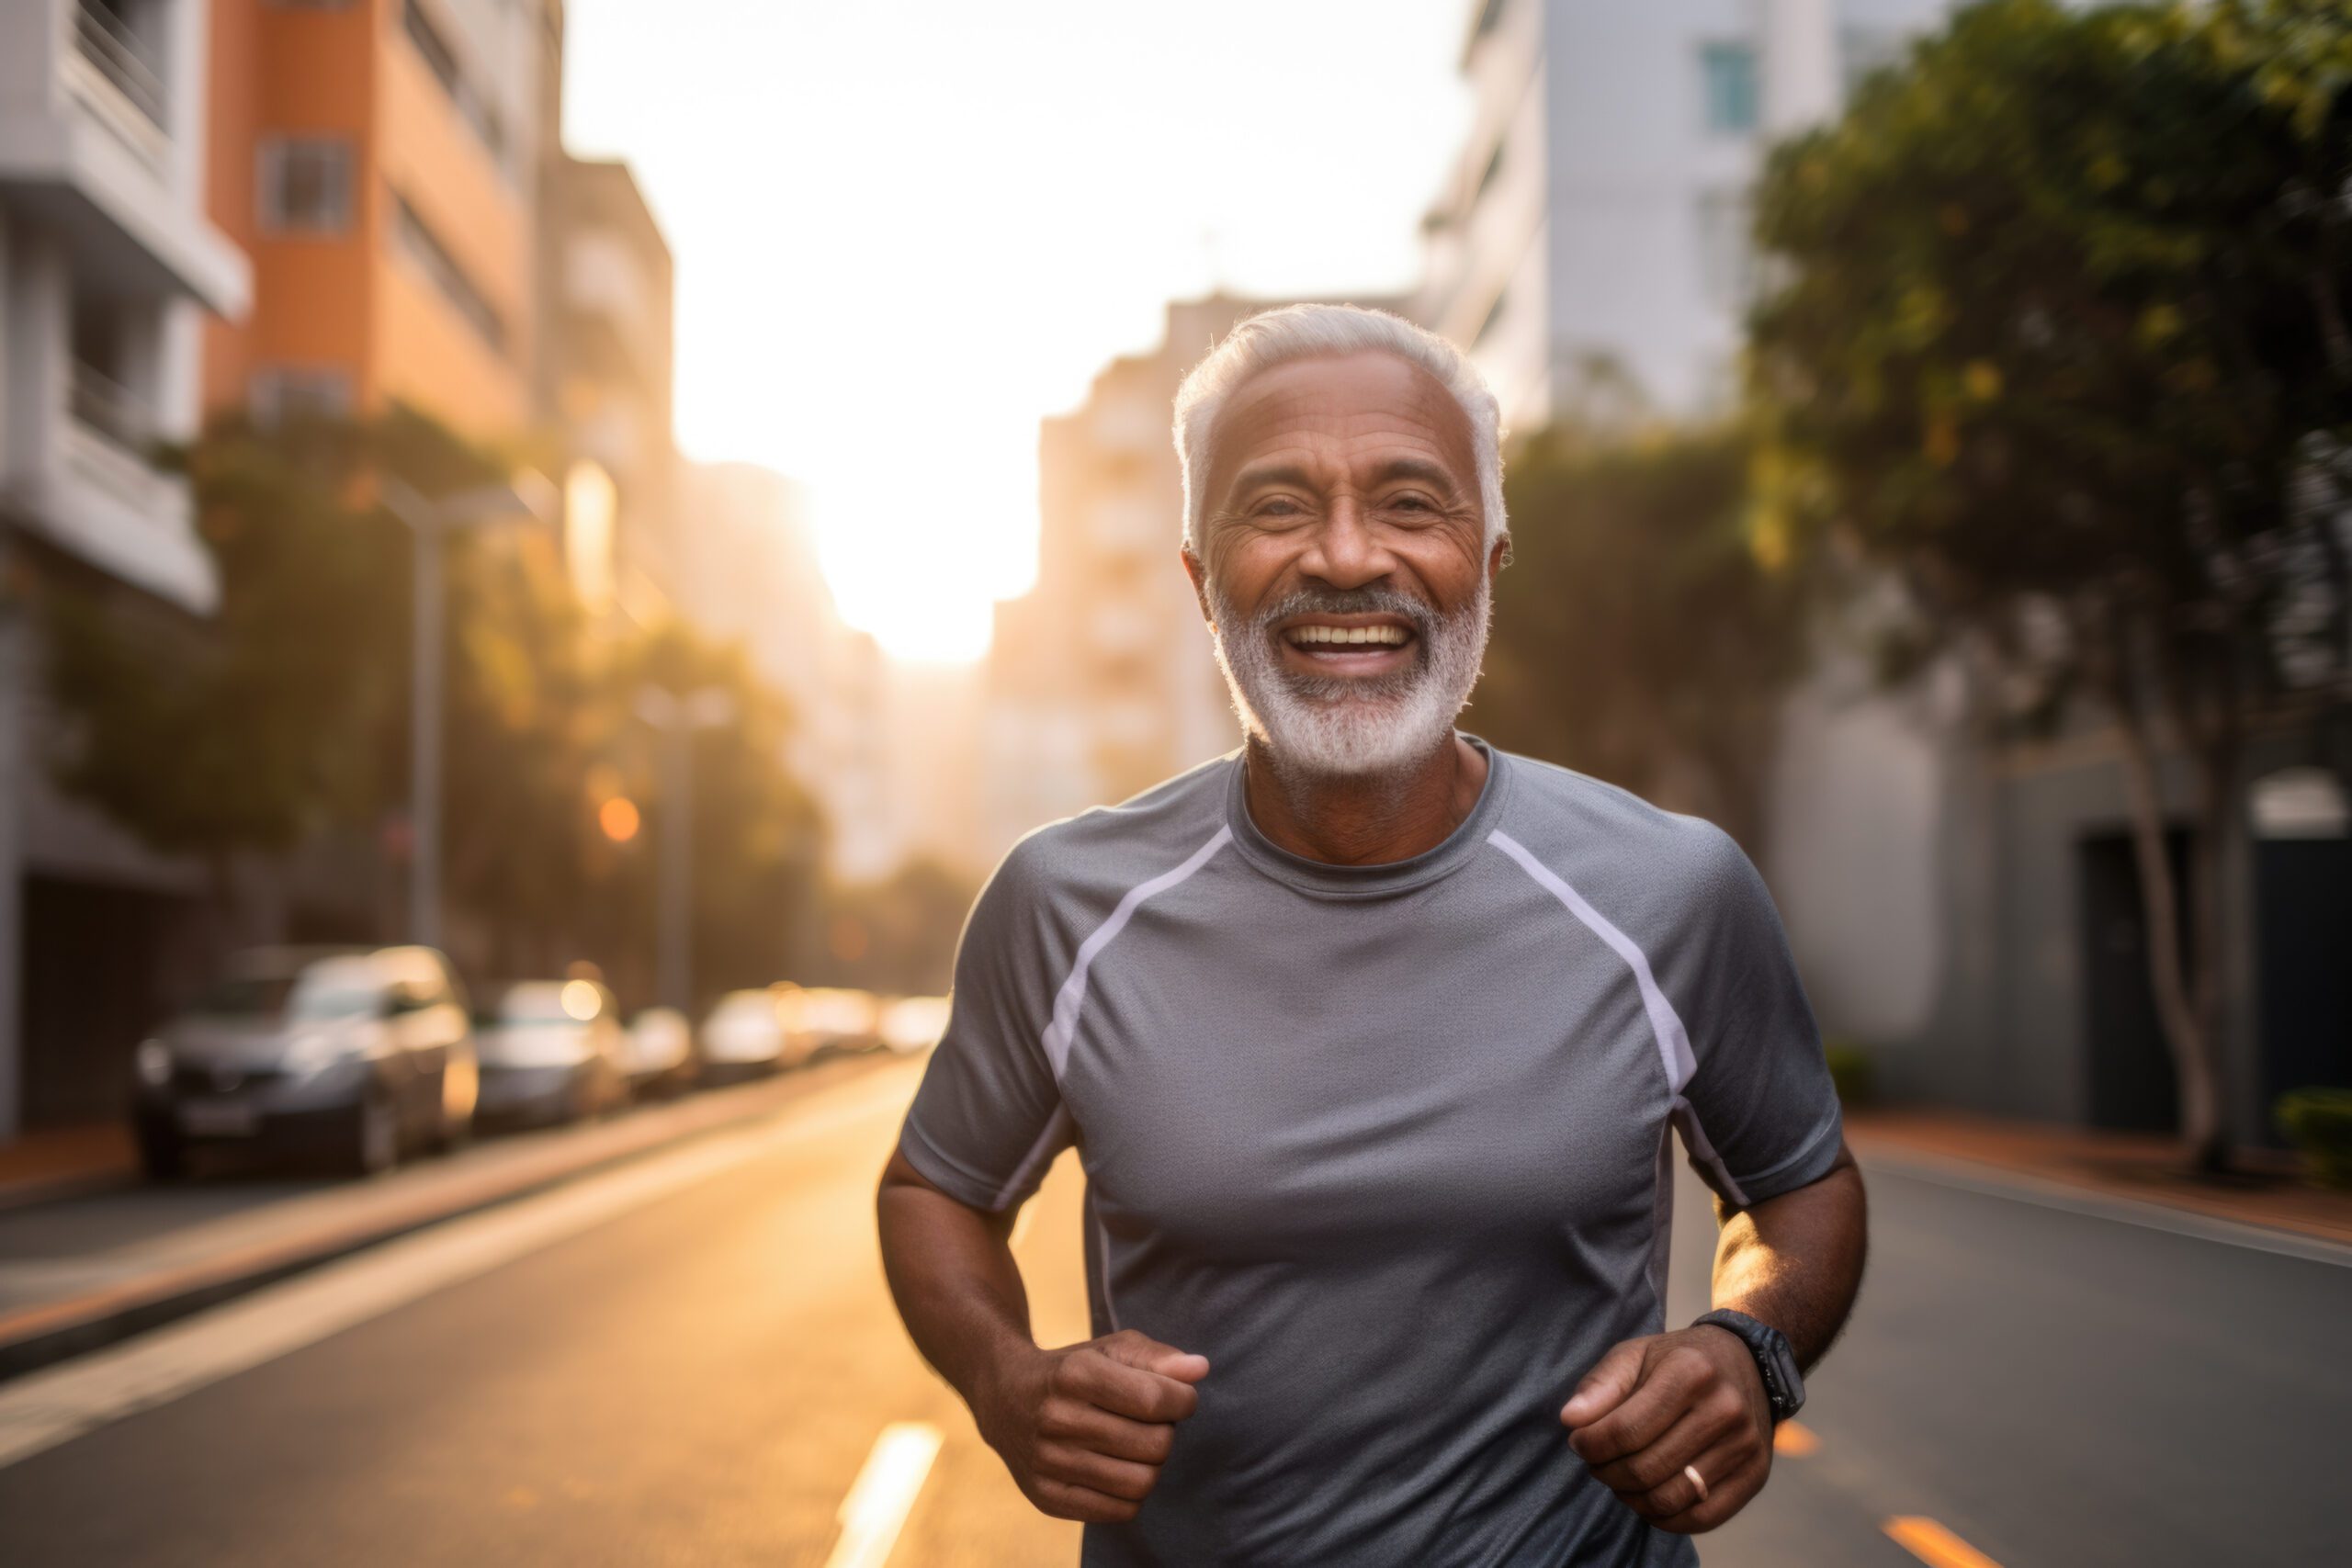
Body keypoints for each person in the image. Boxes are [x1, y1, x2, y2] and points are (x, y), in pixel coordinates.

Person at [876, 304, 1867, 1565]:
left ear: (1491, 561)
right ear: (1198, 575)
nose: (1345, 558)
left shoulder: (1670, 891)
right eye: (1277, 507)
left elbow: (1801, 1186)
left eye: (1411, 503)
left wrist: (1752, 1346)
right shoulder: (1065, 902)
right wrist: (1004, 1381)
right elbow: (934, 1192)